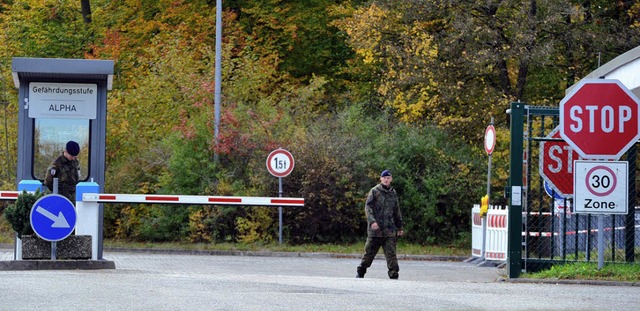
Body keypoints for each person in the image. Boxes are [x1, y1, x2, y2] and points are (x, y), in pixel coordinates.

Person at [356, 169, 404, 279]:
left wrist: (400, 227)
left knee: (391, 254)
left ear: (391, 179)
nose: (386, 180)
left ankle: (394, 274)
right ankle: (361, 272)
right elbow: (368, 207)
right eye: (384, 178)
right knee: (369, 254)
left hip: (389, 230)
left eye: (388, 178)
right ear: (381, 179)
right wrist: (372, 221)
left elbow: (397, 211)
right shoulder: (374, 191)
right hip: (376, 231)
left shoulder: (393, 193)